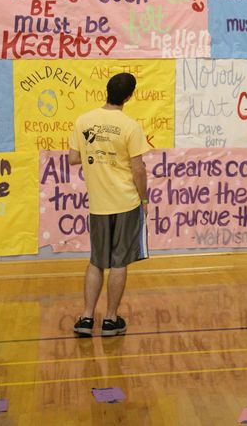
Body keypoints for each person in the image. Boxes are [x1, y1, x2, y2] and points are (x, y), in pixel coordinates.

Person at [68, 72, 150, 337]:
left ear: (107, 91)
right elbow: (138, 169)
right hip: (125, 202)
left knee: (96, 261)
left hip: (98, 204)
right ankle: (111, 320)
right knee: (119, 262)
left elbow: (73, 159)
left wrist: (98, 153)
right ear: (129, 96)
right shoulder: (130, 126)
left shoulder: (83, 121)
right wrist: (145, 198)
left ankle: (86, 318)